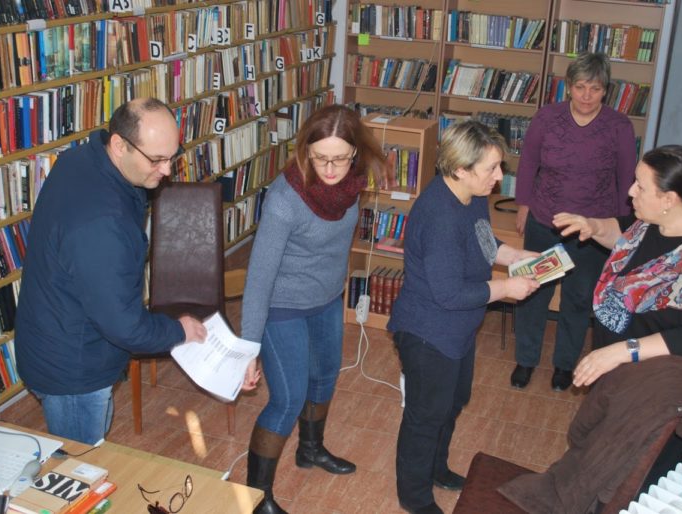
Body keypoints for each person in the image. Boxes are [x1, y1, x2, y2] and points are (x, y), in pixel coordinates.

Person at [15, 98, 207, 445]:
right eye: (157, 159)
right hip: (73, 369)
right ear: (119, 145)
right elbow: (125, 326)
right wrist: (178, 330)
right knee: (81, 465)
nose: (167, 170)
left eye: (172, 156)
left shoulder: (82, 158)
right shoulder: (102, 224)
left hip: (57, 331)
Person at [240, 104, 388, 514]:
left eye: (339, 158)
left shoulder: (353, 186)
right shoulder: (285, 199)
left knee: (324, 381)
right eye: (319, 157)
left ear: (354, 153)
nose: (329, 168)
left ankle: (310, 450)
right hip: (282, 306)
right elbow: (259, 277)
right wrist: (249, 346)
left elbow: (336, 247)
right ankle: (259, 498)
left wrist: (336, 292)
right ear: (306, 151)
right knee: (287, 399)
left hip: (325, 301)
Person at [387, 121, 540, 514]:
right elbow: (449, 293)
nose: (499, 177)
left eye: (499, 167)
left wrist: (517, 258)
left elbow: (484, 242)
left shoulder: (472, 195)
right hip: (427, 331)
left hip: (456, 329)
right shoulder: (438, 214)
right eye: (491, 168)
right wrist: (506, 288)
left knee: (453, 402)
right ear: (460, 168)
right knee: (426, 415)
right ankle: (414, 497)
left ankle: (436, 469)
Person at [553, 144, 682, 386]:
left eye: (640, 186)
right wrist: (593, 226)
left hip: (663, 383)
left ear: (669, 199)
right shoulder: (665, 212)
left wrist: (620, 352)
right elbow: (627, 235)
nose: (631, 191)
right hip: (623, 368)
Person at [512, 52, 638, 391]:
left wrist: (620, 227)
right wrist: (523, 205)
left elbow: (628, 181)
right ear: (568, 87)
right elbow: (527, 165)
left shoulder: (619, 127)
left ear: (605, 91)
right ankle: (525, 360)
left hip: (591, 232)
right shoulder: (547, 118)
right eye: (580, 87)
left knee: (578, 300)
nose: (586, 96)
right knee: (534, 292)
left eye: (594, 89)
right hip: (545, 221)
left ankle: (564, 365)